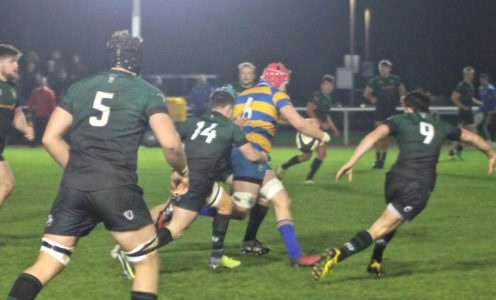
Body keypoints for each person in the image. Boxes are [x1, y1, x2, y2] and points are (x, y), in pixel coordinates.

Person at [7, 30, 188, 300]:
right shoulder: (148, 92)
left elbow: (49, 137)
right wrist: (182, 171)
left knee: (47, 263)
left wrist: (79, 168)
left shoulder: (81, 86)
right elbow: (171, 144)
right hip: (117, 187)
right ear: (137, 60)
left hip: (73, 188)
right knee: (146, 262)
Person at [312, 92, 496, 281]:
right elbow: (473, 138)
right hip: (417, 186)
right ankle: (339, 254)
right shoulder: (441, 125)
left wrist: (352, 160)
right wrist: (490, 154)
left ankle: (376, 261)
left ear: (408, 107)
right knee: (379, 228)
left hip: (394, 180)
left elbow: (375, 135)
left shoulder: (401, 119)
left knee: (393, 220)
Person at [114, 86, 269, 277]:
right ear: (229, 110)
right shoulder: (232, 128)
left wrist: (176, 168)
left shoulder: (194, 122)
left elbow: (172, 138)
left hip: (196, 178)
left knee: (226, 206)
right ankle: (132, 255)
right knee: (176, 230)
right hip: (197, 183)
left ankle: (217, 257)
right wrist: (263, 157)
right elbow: (251, 156)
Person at [231, 62, 331, 267]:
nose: (286, 87)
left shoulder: (243, 95)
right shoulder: (277, 94)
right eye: (285, 82)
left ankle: (255, 242)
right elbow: (299, 124)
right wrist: (323, 136)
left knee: (272, 200)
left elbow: (268, 117)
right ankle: (193, 206)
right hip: (252, 155)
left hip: (234, 152)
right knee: (241, 210)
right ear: (277, 81)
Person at [277, 74, 340, 183]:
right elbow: (309, 110)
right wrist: (320, 123)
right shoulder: (317, 96)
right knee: (309, 155)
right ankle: (285, 168)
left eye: (330, 85)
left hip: (319, 130)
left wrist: (333, 128)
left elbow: (327, 115)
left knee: (317, 155)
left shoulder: (328, 99)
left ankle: (306, 177)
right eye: (326, 84)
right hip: (311, 129)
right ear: (321, 86)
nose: (328, 87)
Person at [0, 44, 34, 211]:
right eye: (11, 61)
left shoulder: (13, 88)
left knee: (7, 185)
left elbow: (17, 114)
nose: (16, 65)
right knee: (6, 183)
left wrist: (25, 128)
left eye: (17, 62)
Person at [363, 59, 406, 168]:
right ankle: (377, 160)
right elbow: (366, 93)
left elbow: (403, 90)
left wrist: (402, 98)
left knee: (386, 136)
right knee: (377, 135)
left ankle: (383, 159)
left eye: (386, 67)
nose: (383, 69)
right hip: (380, 110)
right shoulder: (375, 80)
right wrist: (372, 98)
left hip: (391, 110)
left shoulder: (395, 79)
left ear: (390, 69)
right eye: (382, 67)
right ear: (379, 68)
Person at [449, 66, 481, 160]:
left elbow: (471, 99)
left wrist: (480, 103)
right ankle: (454, 150)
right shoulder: (461, 86)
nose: (471, 75)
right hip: (463, 113)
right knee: (461, 135)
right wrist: (463, 106)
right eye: (469, 73)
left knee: (472, 135)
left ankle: (454, 150)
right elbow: (453, 98)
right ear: (465, 74)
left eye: (472, 74)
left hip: (469, 113)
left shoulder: (471, 86)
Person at [27, 76, 56, 146]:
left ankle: (35, 143)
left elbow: (31, 103)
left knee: (39, 130)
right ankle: (38, 143)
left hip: (43, 114)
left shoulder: (44, 92)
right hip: (41, 114)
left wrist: (29, 111)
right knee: (40, 130)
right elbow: (31, 102)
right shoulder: (48, 92)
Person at [475, 73, 496, 145]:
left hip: (489, 111)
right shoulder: (481, 88)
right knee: (482, 126)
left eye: (483, 80)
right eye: (481, 80)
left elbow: (493, 101)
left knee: (486, 126)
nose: (482, 81)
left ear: (486, 80)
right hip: (482, 110)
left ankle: (490, 141)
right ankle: (489, 141)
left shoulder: (491, 89)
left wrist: (491, 111)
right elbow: (483, 100)